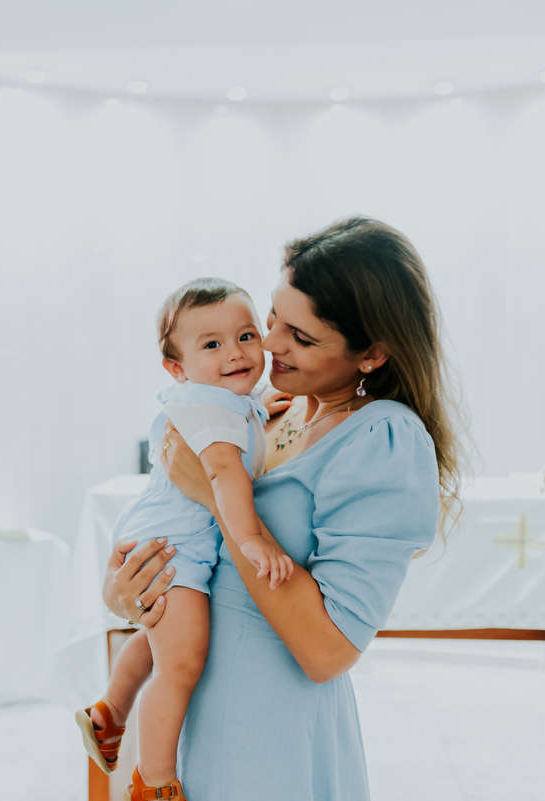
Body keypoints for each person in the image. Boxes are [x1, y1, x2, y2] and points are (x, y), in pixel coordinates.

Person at [102, 217, 463, 800]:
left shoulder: (383, 440)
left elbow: (328, 651)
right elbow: (194, 554)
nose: (268, 344)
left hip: (270, 734)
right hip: (199, 712)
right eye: (272, 317)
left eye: (300, 335)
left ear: (371, 352)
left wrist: (215, 499)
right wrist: (129, 595)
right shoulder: (273, 411)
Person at [77, 277, 296, 801]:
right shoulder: (211, 409)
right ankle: (153, 782)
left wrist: (267, 398)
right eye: (212, 345)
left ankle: (109, 712)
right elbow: (223, 476)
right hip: (175, 548)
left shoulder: (222, 398)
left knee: (158, 645)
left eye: (246, 336)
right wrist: (253, 542)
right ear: (177, 368)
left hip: (165, 535)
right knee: (181, 663)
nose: (236, 354)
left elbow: (242, 416)